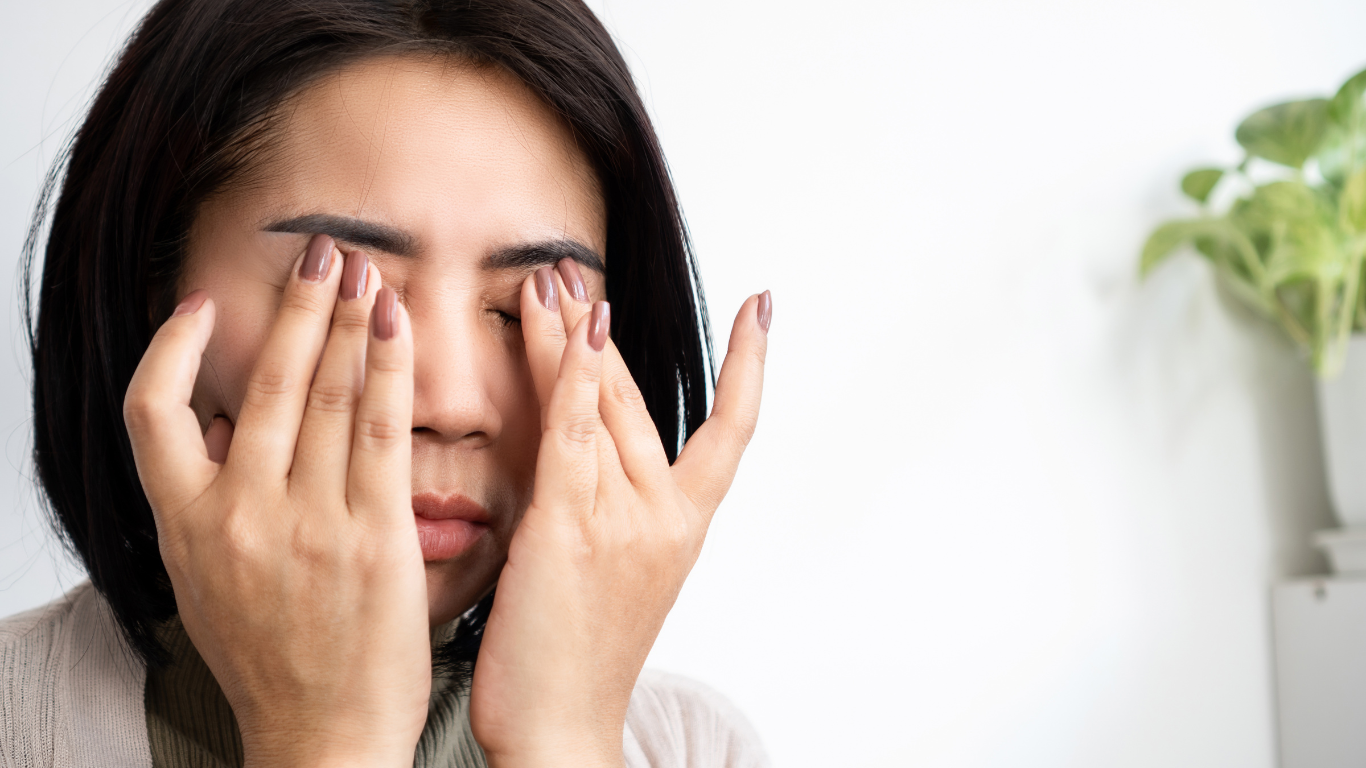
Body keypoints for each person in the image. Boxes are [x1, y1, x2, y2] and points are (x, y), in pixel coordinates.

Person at [0, 1, 773, 766]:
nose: (453, 407)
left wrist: (563, 744)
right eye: (350, 288)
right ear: (155, 288)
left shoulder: (696, 748)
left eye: (523, 308)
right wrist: (326, 739)